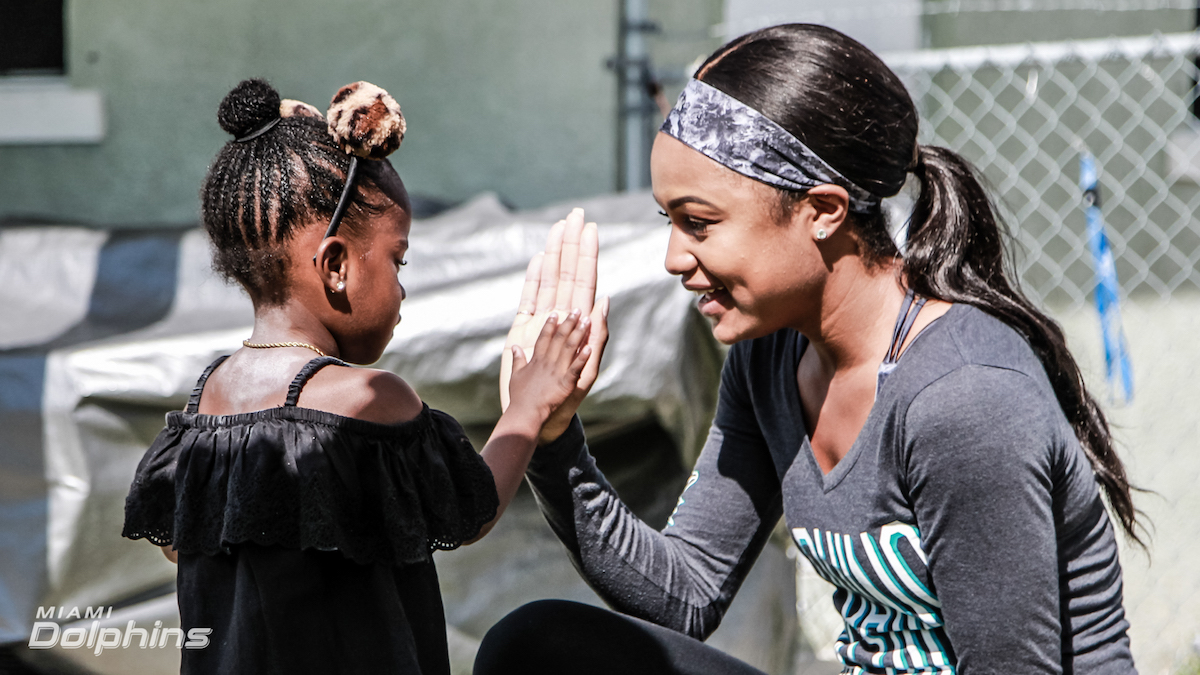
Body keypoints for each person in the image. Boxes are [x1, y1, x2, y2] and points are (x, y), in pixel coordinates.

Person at [477, 24, 1140, 675]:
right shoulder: (771, 359)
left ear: (822, 210)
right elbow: (687, 591)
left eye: (699, 223)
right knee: (537, 646)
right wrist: (551, 435)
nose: (674, 257)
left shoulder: (962, 399)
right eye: (669, 220)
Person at [121, 78, 607, 674]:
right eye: (398, 259)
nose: (402, 287)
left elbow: (182, 547)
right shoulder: (369, 402)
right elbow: (469, 511)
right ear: (335, 265)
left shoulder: (204, 407)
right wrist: (528, 408)